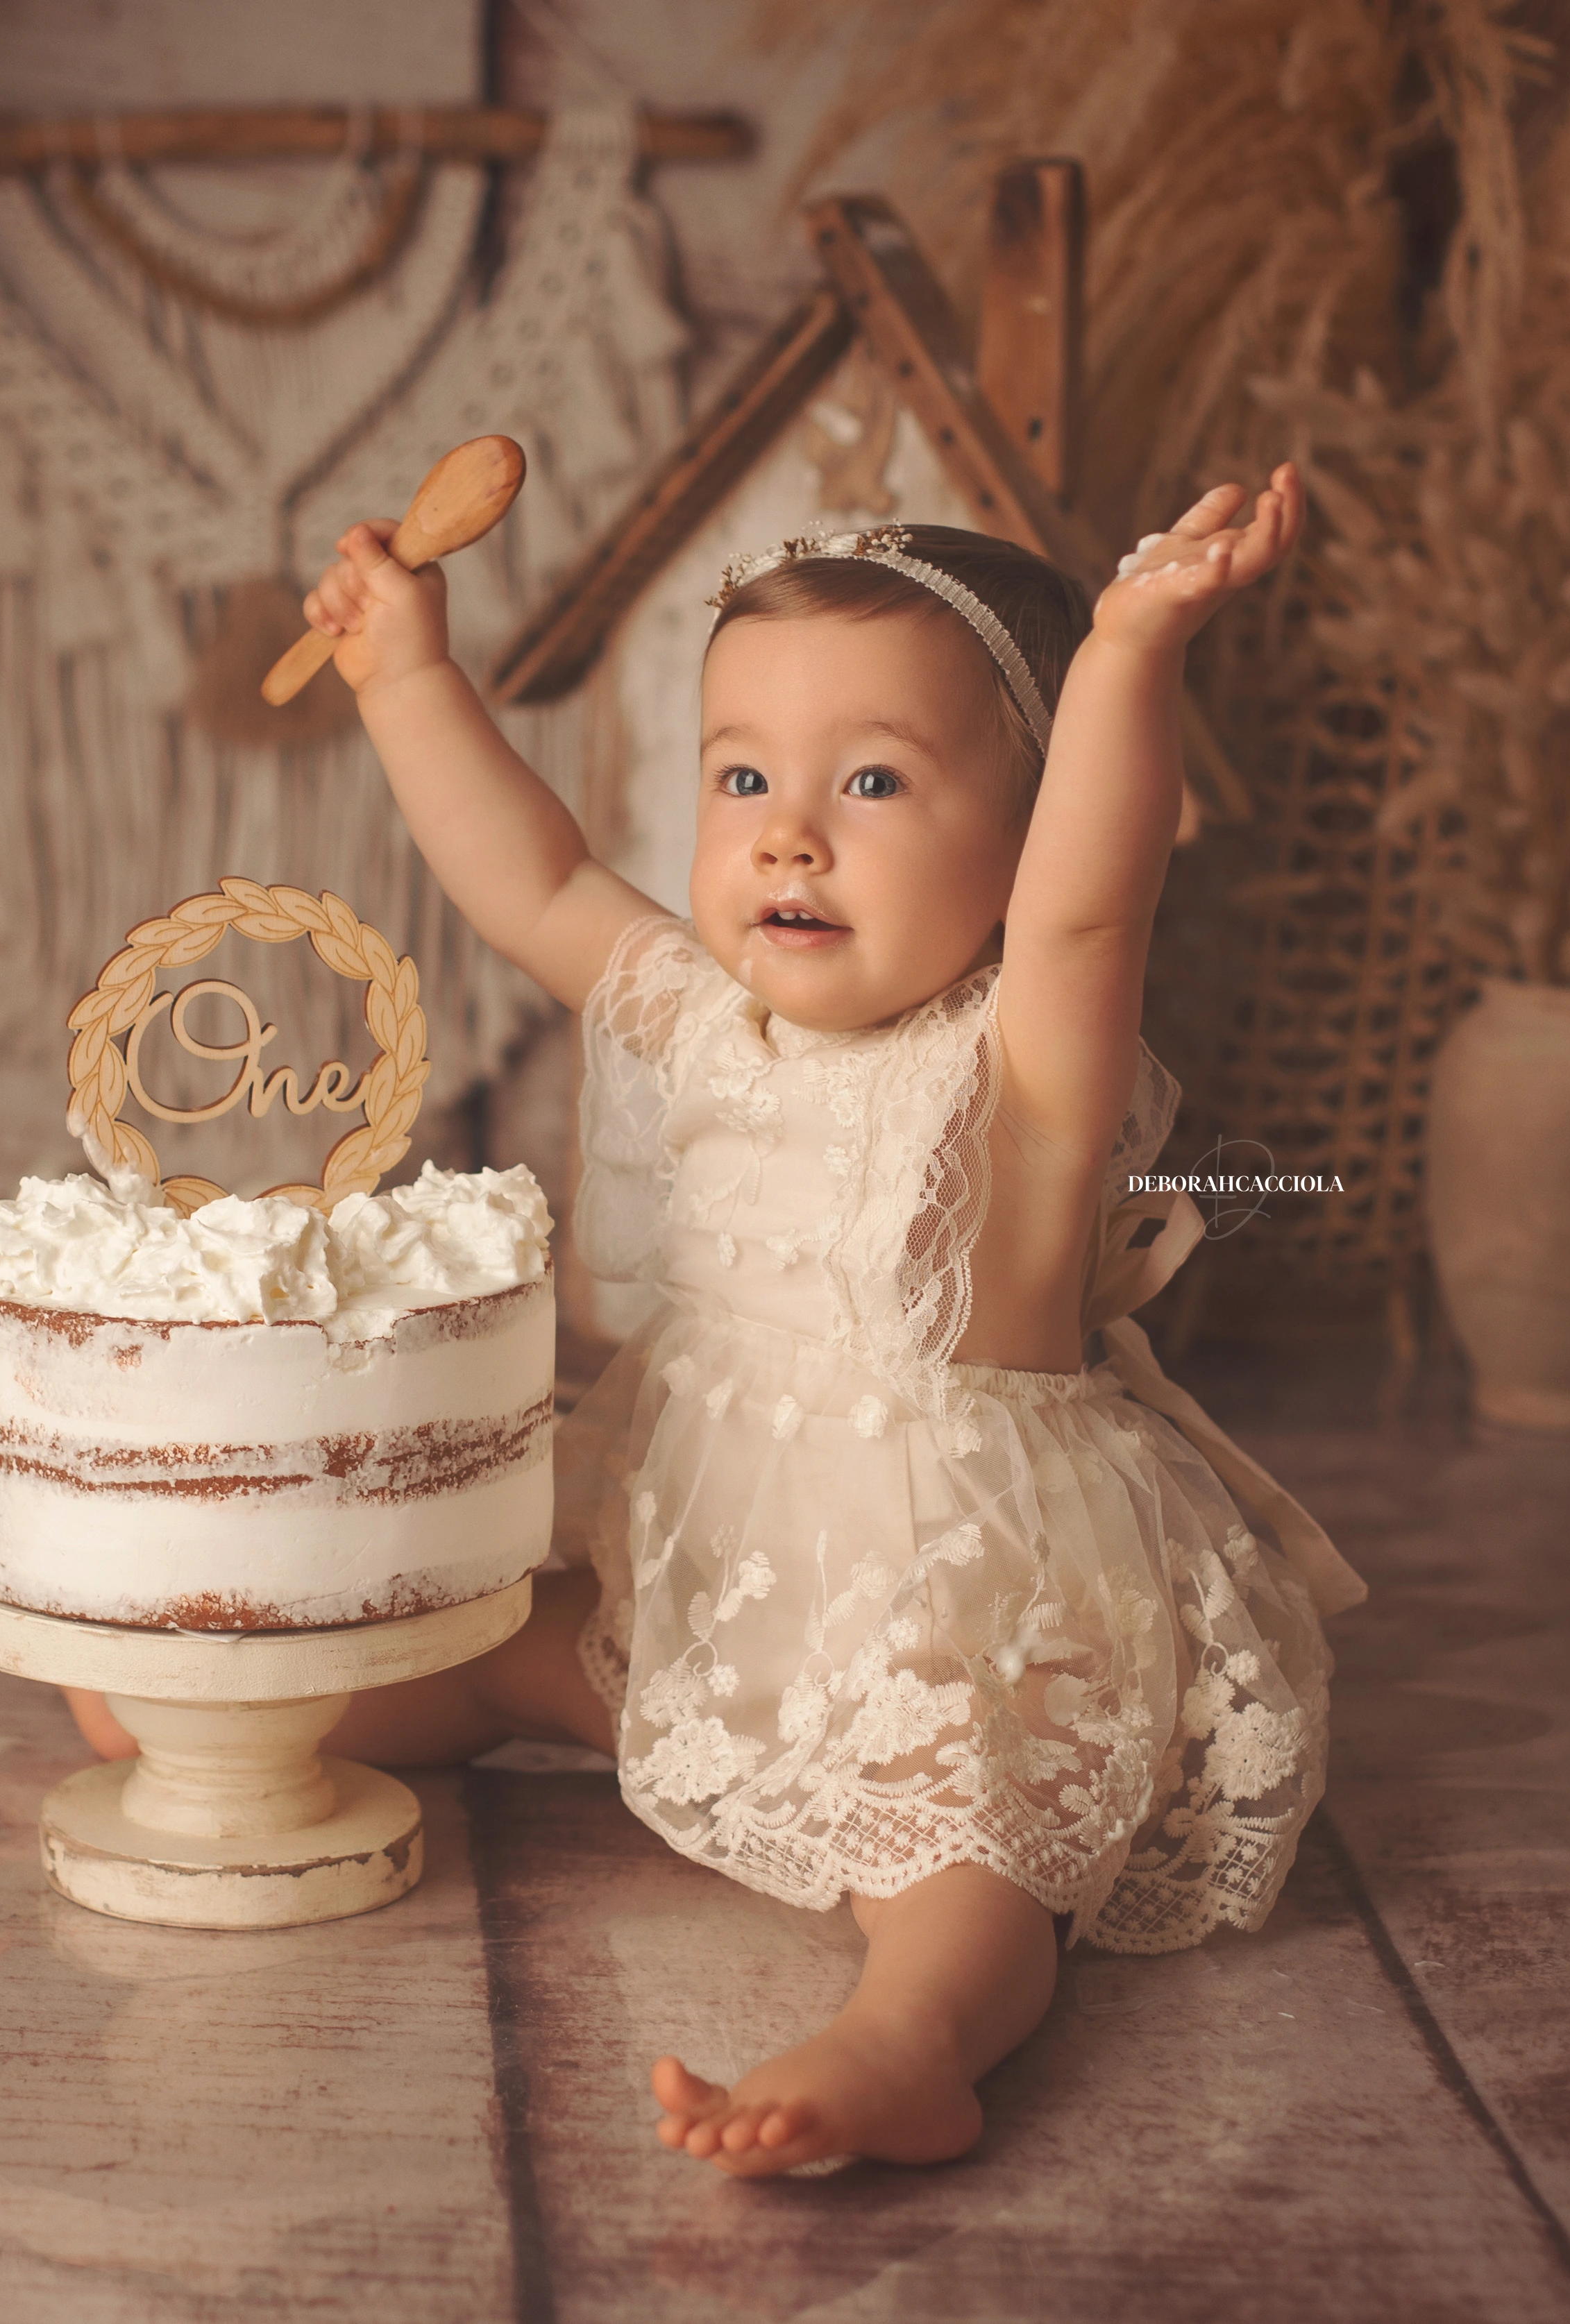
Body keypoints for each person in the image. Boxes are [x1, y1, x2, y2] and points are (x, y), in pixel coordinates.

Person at [69, 468, 1365, 2176]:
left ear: (1028, 820)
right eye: (743, 774)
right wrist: (403, 677)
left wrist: (1131, 649)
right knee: (483, 1652)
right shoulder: (705, 1023)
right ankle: (258, 1698)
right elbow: (532, 881)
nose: (787, 832)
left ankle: (904, 2045)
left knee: (967, 1868)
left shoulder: (1017, 1081)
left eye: (875, 781)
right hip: (708, 1600)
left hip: (948, 1641)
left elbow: (1090, 906)